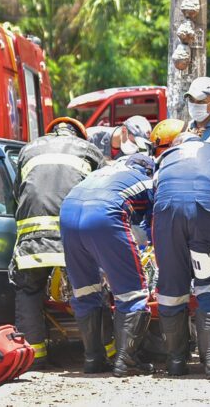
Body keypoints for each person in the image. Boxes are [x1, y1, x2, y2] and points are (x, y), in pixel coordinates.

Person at [151, 119, 210, 379]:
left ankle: (175, 362)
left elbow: (155, 199)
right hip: (206, 212)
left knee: (171, 289)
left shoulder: (165, 158)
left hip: (166, 215)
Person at [8, 117, 105, 369]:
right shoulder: (89, 150)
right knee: (89, 290)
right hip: (72, 237)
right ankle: (100, 354)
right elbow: (104, 194)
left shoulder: (28, 149)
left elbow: (16, 193)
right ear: (79, 135)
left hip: (32, 239)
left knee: (28, 290)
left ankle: (34, 358)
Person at [61, 154, 155, 376]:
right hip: (105, 215)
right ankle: (126, 361)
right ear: (149, 170)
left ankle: (92, 359)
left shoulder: (101, 173)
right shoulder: (147, 182)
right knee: (132, 293)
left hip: (67, 214)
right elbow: (153, 226)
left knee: (85, 291)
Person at [87, 115, 153, 160]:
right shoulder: (92, 137)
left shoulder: (136, 152)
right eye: (134, 142)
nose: (136, 148)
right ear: (124, 130)